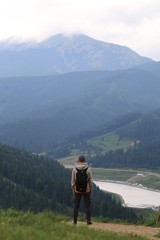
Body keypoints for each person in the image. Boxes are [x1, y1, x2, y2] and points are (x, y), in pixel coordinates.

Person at [71, 155, 93, 225]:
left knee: (76, 206)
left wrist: (73, 188)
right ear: (84, 161)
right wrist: (91, 189)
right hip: (86, 190)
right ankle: (88, 221)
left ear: (78, 160)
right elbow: (90, 181)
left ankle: (75, 221)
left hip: (77, 190)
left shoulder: (74, 169)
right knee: (87, 206)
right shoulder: (88, 169)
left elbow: (73, 181)